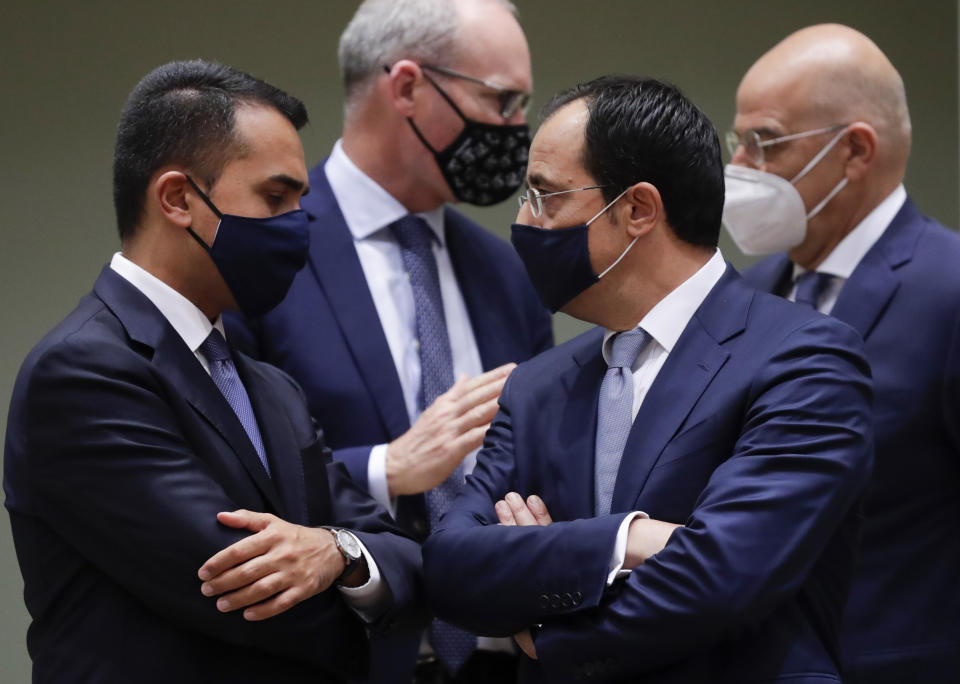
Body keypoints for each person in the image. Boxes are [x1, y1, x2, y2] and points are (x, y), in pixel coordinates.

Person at [421, 75, 875, 683]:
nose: (524, 221)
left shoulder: (804, 359)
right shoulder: (536, 387)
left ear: (636, 209)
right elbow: (450, 566)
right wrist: (629, 542)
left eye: (545, 196)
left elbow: (722, 576)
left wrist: (549, 623)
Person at [3, 60, 425, 684]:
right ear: (178, 199)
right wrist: (377, 604)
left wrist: (337, 552)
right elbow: (241, 592)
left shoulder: (270, 386)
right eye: (276, 197)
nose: (299, 222)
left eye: (301, 200)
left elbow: (396, 548)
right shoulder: (84, 372)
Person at [225, 0, 552, 681]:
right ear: (406, 87)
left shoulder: (509, 270)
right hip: (341, 657)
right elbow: (227, 477)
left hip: (508, 659)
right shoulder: (266, 249)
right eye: (502, 100)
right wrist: (386, 468)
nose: (518, 129)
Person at [724, 24, 960, 682]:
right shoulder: (748, 292)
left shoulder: (949, 290)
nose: (739, 167)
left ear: (855, 151)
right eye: (737, 141)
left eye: (762, 143)